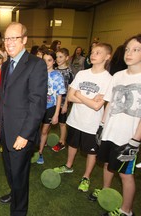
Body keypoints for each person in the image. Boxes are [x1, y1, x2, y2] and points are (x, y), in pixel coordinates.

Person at [0, 22, 47, 216]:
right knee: (9, 170)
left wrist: (25, 134)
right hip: (5, 129)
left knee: (20, 175)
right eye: (6, 38)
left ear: (24, 40)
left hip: (22, 132)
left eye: (14, 38)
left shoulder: (36, 64)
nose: (9, 42)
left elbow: (37, 104)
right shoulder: (6, 65)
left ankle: (19, 210)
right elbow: (2, 96)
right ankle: (14, 194)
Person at [88, 34, 141, 216]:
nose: (129, 53)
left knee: (126, 174)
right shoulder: (118, 75)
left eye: (136, 50)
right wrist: (102, 126)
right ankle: (105, 191)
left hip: (129, 137)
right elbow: (109, 103)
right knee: (108, 165)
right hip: (110, 131)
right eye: (127, 49)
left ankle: (126, 211)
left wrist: (135, 140)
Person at [53, 43, 113, 193]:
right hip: (75, 119)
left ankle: (86, 177)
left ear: (107, 57)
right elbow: (71, 97)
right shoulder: (82, 74)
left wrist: (80, 94)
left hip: (92, 124)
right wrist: (90, 99)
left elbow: (97, 107)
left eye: (98, 53)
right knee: (72, 144)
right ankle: (68, 166)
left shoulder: (109, 79)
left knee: (91, 152)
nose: (93, 54)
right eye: (92, 52)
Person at [37, 49, 66, 164]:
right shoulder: (38, 73)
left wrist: (56, 114)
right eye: (44, 60)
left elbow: (59, 95)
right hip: (37, 107)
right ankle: (31, 151)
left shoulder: (57, 75)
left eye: (49, 60)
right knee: (34, 130)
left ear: (54, 61)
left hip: (50, 107)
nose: (46, 63)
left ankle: (40, 152)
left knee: (44, 131)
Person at [51, 48, 74, 152]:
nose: (58, 59)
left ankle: (62, 142)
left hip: (63, 102)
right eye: (57, 57)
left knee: (62, 123)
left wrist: (65, 104)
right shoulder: (54, 70)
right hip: (52, 101)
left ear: (67, 58)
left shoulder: (69, 72)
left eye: (61, 57)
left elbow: (70, 89)